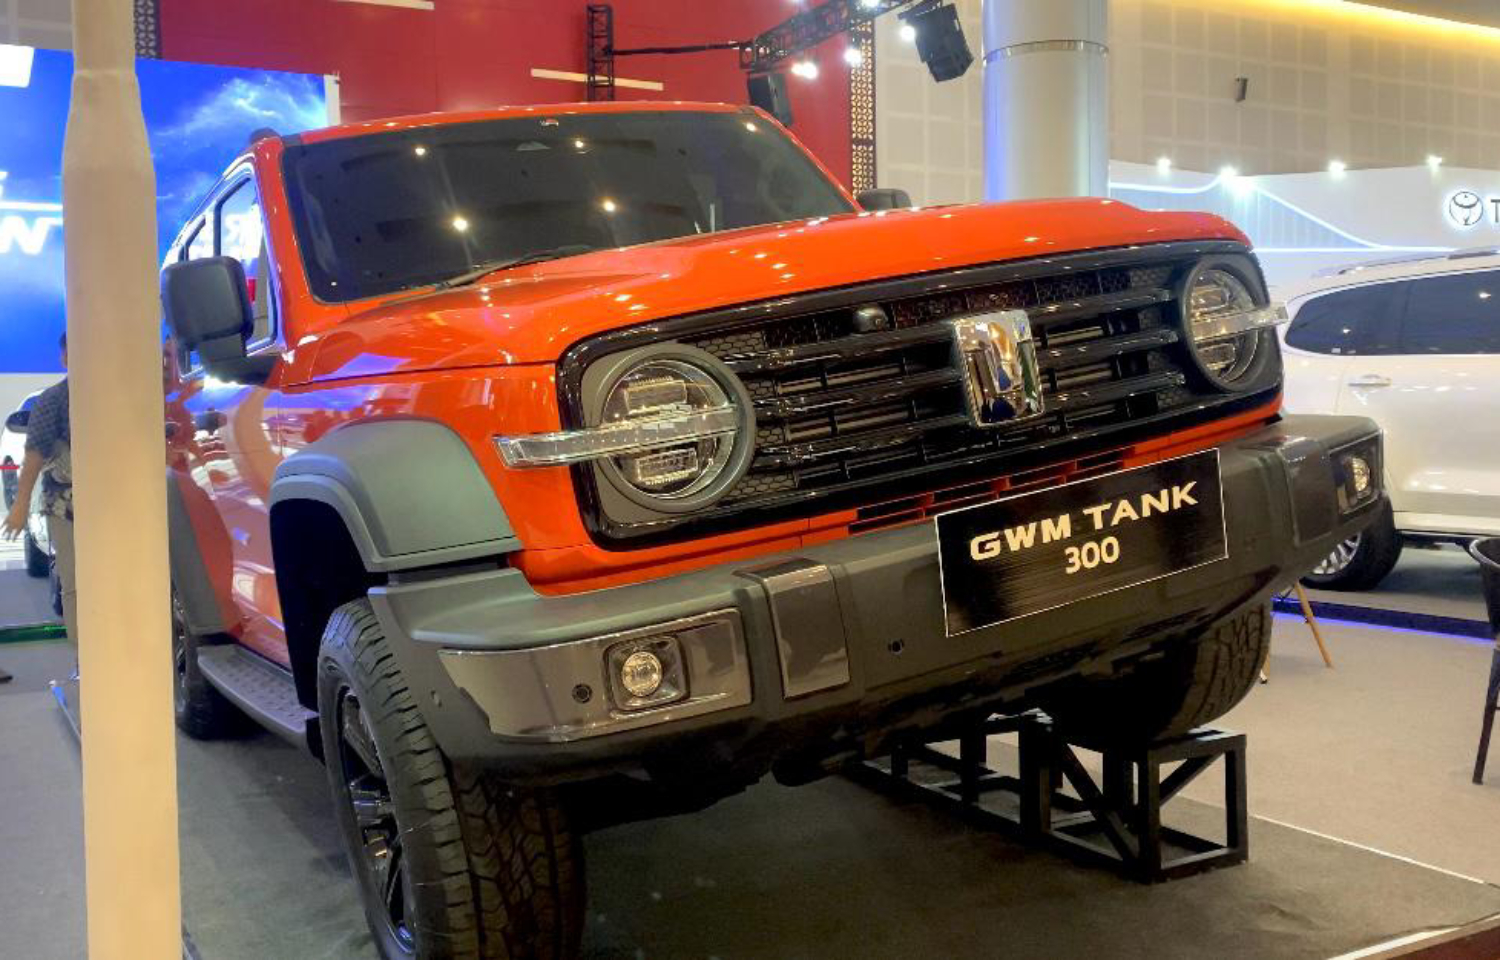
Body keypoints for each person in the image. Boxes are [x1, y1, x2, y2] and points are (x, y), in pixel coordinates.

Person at [4, 333, 74, 650]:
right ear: (65, 358)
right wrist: (20, 506)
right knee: (75, 586)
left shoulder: (120, 397)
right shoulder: (53, 400)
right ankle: (85, 661)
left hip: (117, 505)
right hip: (65, 508)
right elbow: (34, 454)